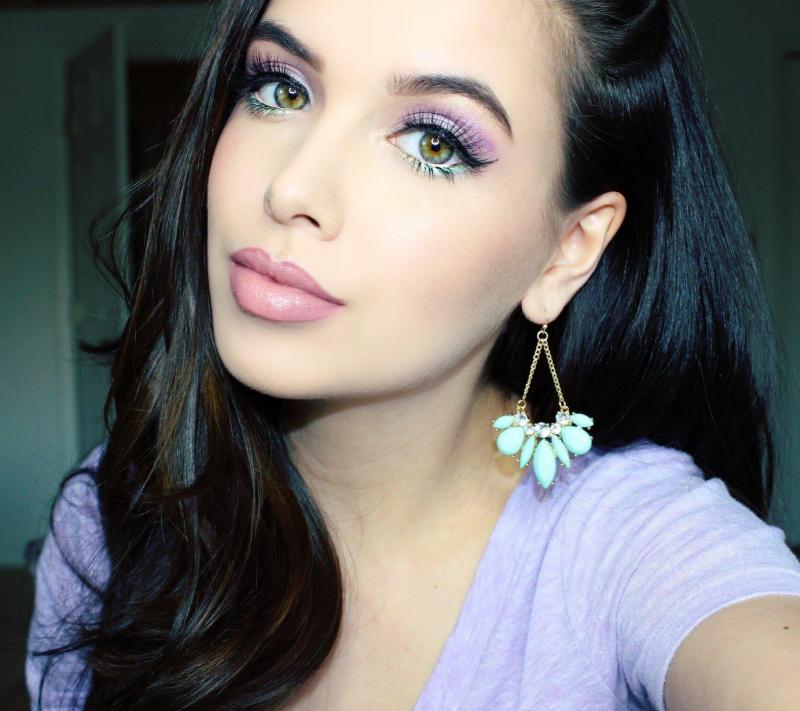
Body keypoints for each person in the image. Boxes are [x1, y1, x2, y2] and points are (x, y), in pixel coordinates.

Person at [25, 0, 800, 708]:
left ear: (567, 250)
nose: (292, 188)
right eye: (280, 89)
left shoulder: (633, 546)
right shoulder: (111, 521)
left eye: (433, 142)